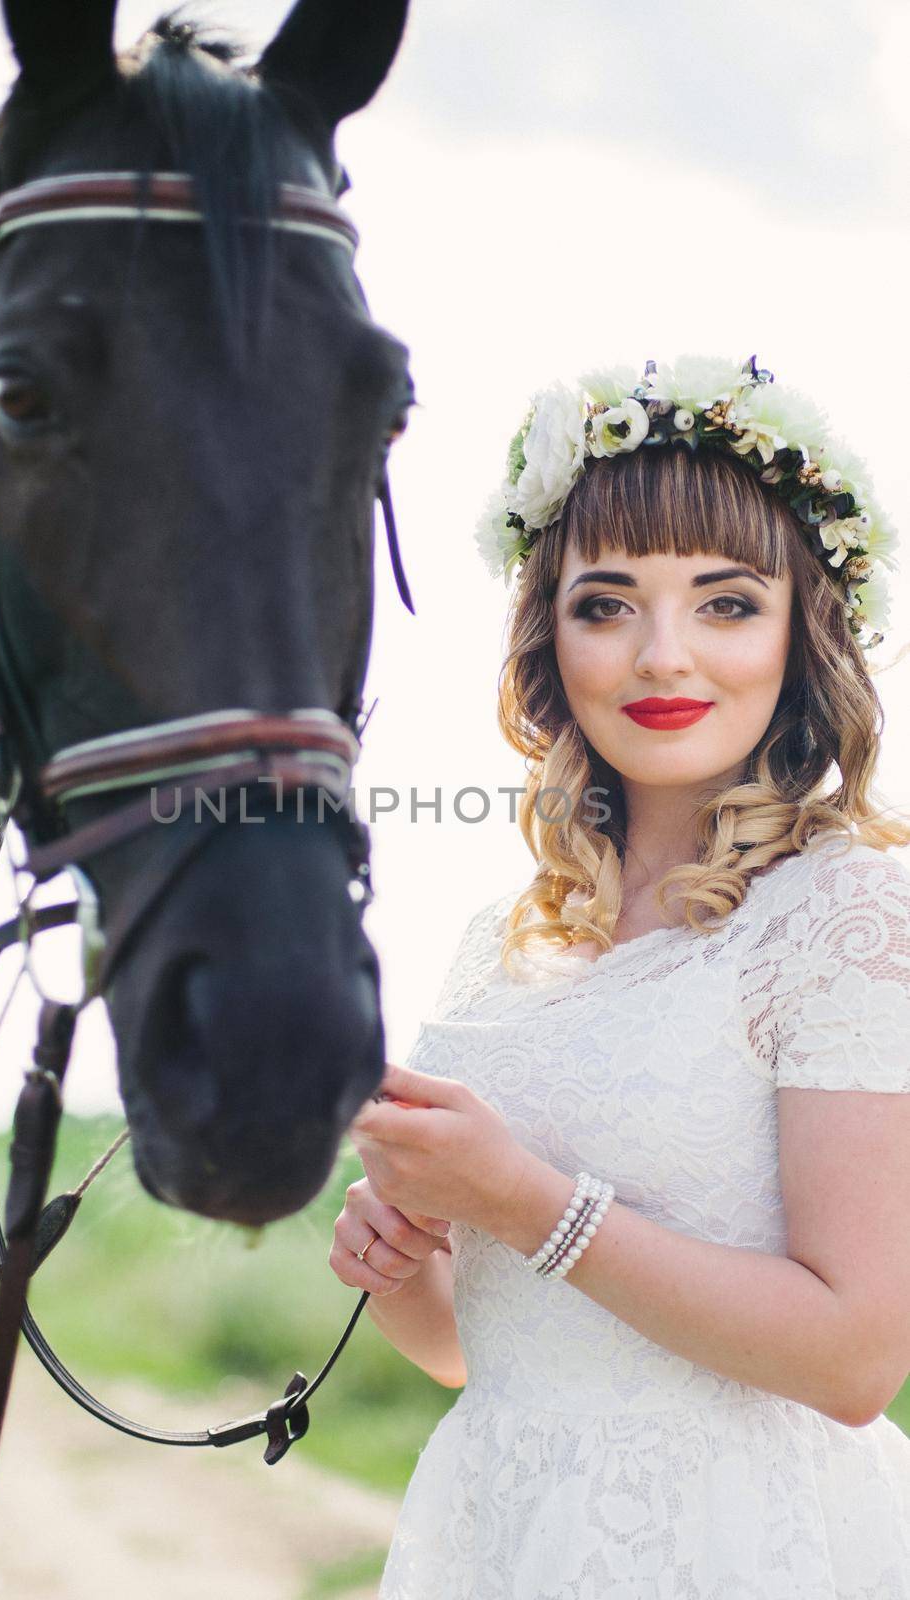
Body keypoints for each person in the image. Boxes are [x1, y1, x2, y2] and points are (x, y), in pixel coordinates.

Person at [331, 355, 910, 1598]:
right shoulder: (501, 935)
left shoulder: (848, 912)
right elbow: (472, 1349)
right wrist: (402, 1265)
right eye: (605, 604)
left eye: (722, 602)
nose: (661, 657)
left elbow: (855, 1357)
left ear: (798, 632)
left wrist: (524, 1199)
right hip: (505, 1528)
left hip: (744, 1541)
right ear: (550, 635)